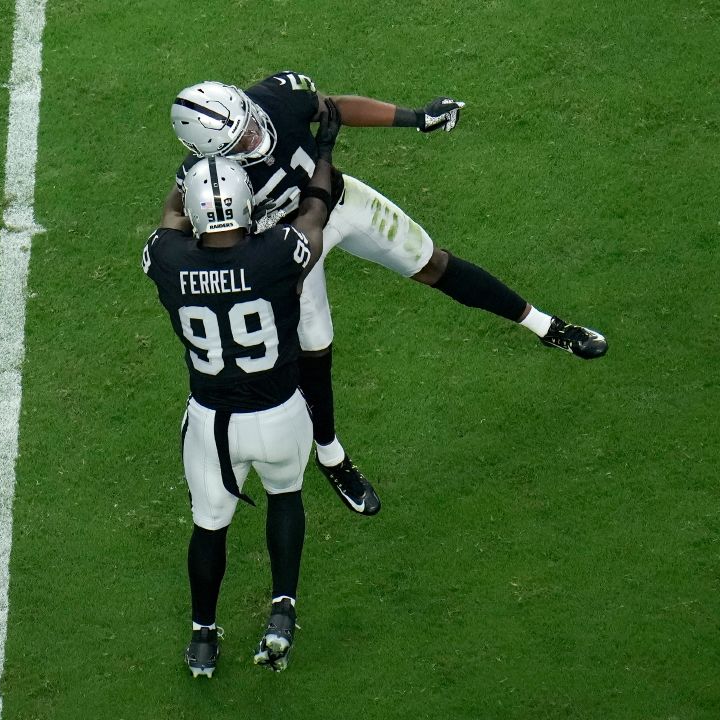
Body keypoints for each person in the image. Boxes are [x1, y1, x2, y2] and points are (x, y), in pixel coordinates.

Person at [166, 72, 608, 515]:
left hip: (338, 202)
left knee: (433, 262)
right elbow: (179, 225)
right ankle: (331, 455)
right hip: (292, 247)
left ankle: (547, 326)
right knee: (315, 349)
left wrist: (416, 117)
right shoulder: (203, 181)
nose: (255, 137)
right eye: (240, 141)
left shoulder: (275, 98)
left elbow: (333, 106)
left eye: (250, 123)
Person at [143, 100, 346, 677]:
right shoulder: (278, 254)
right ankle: (283, 610)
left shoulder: (166, 259)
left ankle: (203, 636)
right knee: (287, 498)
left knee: (210, 524)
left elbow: (169, 222)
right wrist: (325, 150)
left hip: (212, 423)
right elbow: (315, 208)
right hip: (281, 413)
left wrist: (187, 176)